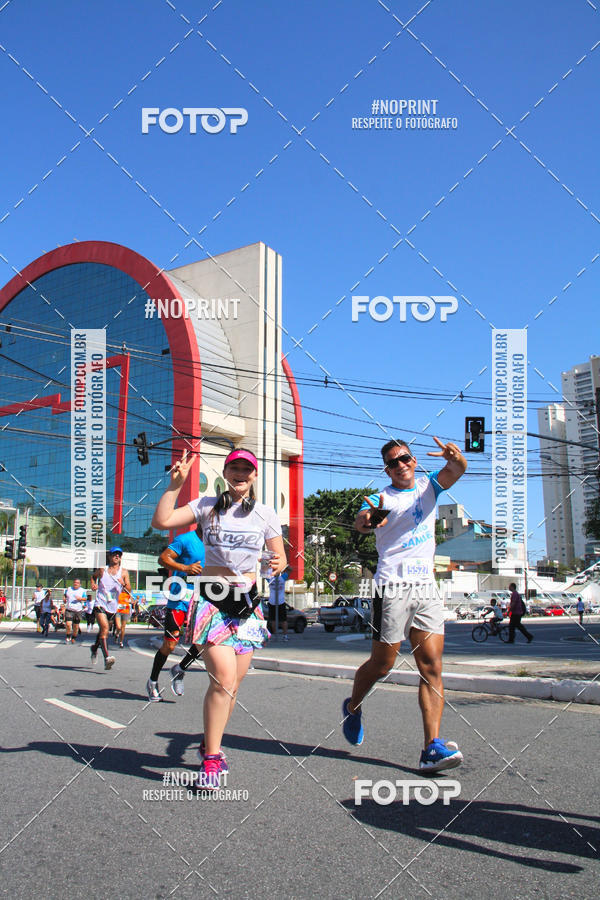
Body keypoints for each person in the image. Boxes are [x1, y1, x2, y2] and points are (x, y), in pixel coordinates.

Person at [151, 447, 286, 789]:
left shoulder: (266, 514)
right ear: (226, 473)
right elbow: (162, 522)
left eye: (247, 469)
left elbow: (279, 556)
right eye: (235, 468)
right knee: (223, 679)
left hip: (248, 604)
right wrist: (174, 486)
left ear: (255, 475)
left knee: (234, 684)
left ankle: (208, 743)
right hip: (213, 598)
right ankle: (212, 758)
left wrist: (277, 564)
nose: (241, 473)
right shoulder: (206, 505)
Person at [342, 436, 467, 773]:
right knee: (382, 666)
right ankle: (353, 707)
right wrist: (368, 520)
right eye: (393, 462)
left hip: (426, 587)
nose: (400, 465)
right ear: (387, 469)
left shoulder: (430, 487)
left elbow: (456, 469)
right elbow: (363, 519)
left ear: (414, 461)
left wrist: (455, 456)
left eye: (405, 458)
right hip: (391, 588)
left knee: (432, 666)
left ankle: (431, 747)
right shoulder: (380, 495)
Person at [146, 528, 205, 702]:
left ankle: (180, 669)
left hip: (202, 598)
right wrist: (185, 568)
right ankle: (153, 681)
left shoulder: (215, 542)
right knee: (170, 644)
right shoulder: (186, 539)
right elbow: (163, 558)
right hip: (179, 598)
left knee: (204, 641)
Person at [90, 547, 131, 669]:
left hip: (112, 607)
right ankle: (107, 658)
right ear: (110, 556)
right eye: (114, 554)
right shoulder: (103, 570)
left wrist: (123, 584)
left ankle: (94, 648)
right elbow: (93, 577)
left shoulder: (123, 572)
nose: (117, 556)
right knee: (105, 628)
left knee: (103, 631)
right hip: (100, 604)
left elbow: (128, 589)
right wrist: (93, 584)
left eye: (119, 554)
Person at [266, 567, 290, 641]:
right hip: (280, 602)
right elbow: (290, 569)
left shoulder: (270, 579)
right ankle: (285, 636)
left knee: (273, 620)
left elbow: (264, 573)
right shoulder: (282, 578)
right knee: (283, 620)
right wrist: (285, 565)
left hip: (272, 601)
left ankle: (276, 635)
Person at [63, 578, 86, 643]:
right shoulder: (69, 589)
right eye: (75, 582)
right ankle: (68, 635)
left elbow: (85, 598)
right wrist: (64, 599)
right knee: (68, 624)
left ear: (80, 584)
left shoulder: (82, 590)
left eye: (77, 583)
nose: (76, 584)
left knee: (76, 626)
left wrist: (80, 598)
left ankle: (74, 637)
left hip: (78, 610)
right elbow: (65, 595)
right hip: (69, 609)